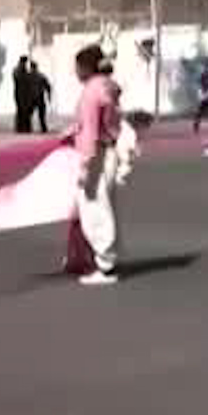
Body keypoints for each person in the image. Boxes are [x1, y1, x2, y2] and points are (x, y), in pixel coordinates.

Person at [62, 45, 123, 285]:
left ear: (85, 67)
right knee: (102, 207)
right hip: (109, 150)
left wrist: (86, 165)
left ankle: (105, 264)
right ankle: (100, 258)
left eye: (77, 66)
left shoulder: (91, 92)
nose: (75, 71)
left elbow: (90, 130)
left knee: (94, 209)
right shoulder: (107, 86)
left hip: (95, 154)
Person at [12, 57, 35, 134]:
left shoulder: (20, 70)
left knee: (23, 111)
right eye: (24, 62)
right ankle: (21, 128)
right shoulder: (19, 70)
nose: (25, 64)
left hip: (23, 93)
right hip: (20, 93)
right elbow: (21, 80)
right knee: (22, 111)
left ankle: (23, 128)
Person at [29, 60, 52, 134]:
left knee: (30, 114)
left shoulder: (29, 76)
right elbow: (48, 86)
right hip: (39, 97)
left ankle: (29, 128)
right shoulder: (41, 76)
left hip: (32, 98)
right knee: (41, 115)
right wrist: (49, 96)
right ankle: (43, 128)